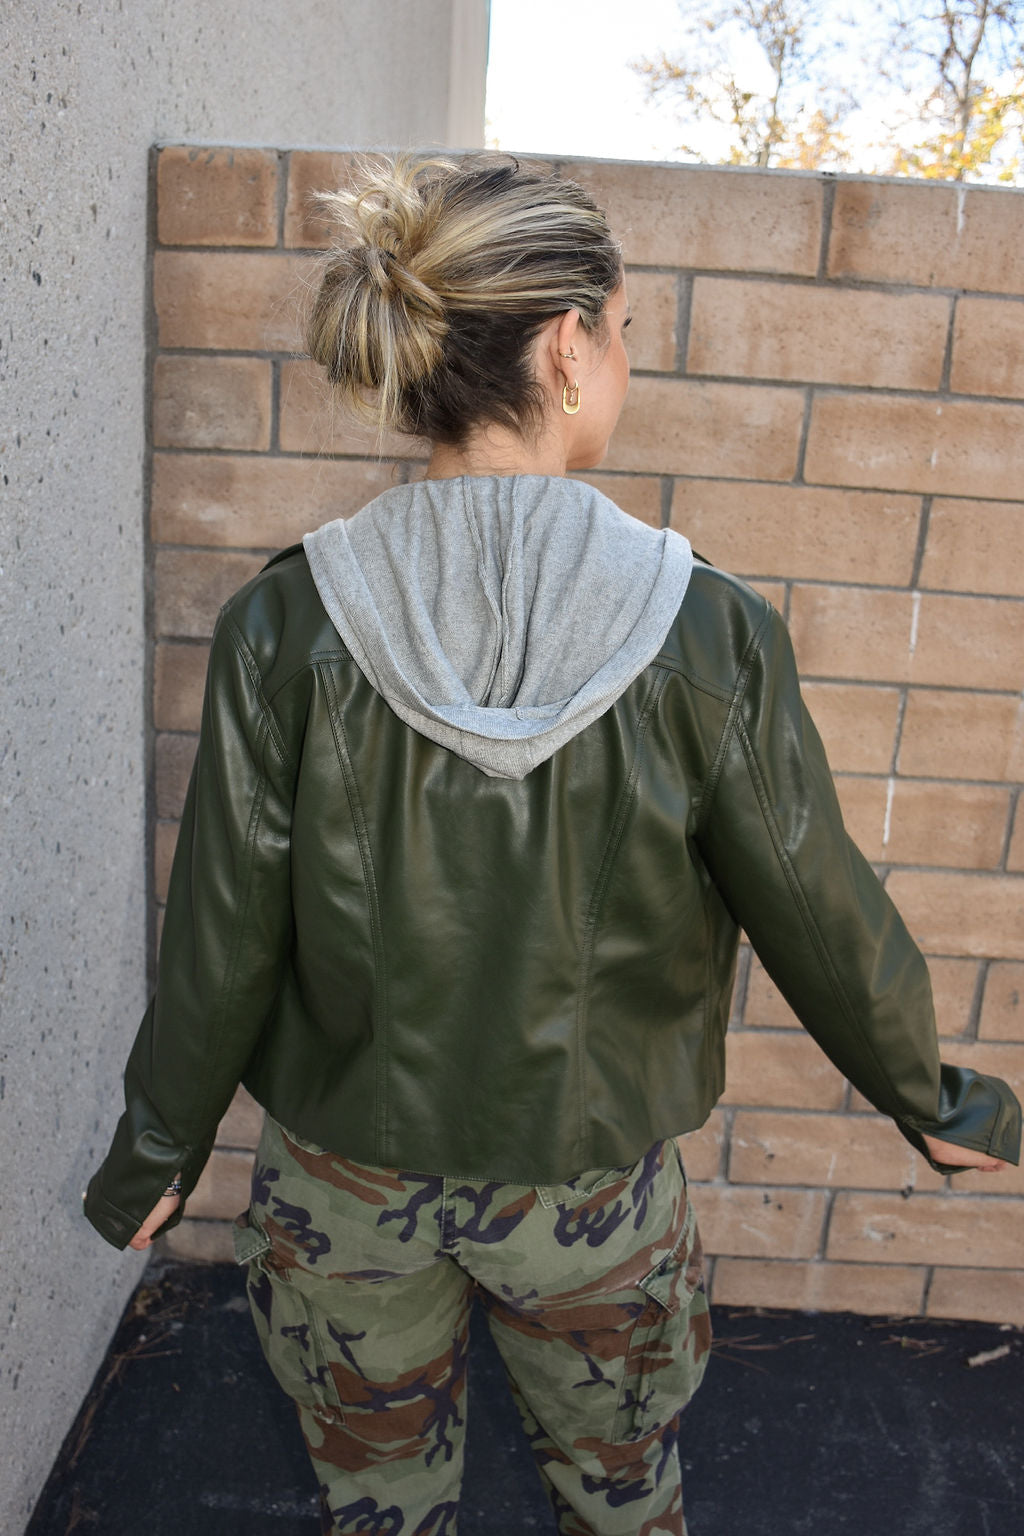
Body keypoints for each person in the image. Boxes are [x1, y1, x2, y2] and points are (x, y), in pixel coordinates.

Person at [86, 154, 1020, 1536]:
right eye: (626, 330)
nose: (628, 359)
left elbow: (222, 936)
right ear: (569, 346)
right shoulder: (708, 632)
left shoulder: (283, 624)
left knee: (379, 1503)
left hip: (343, 1185)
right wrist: (931, 1100)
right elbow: (817, 908)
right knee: (622, 1497)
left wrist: (157, 1153)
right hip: (596, 1201)